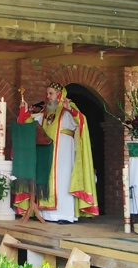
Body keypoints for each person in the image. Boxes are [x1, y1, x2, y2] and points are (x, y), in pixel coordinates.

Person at [16, 82, 99, 223]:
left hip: (63, 151)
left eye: (51, 93)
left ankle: (64, 215)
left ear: (59, 94)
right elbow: (30, 124)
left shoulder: (68, 107)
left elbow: (81, 120)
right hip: (46, 152)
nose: (48, 97)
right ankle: (45, 214)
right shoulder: (45, 113)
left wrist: (70, 110)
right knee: (46, 180)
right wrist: (24, 112)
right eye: (47, 94)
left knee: (62, 180)